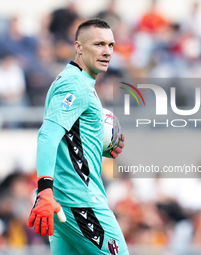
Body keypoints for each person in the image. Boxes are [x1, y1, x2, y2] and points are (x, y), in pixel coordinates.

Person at [27, 18, 128, 254]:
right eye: (99, 44)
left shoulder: (74, 80)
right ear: (78, 46)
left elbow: (67, 138)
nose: (106, 52)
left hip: (65, 203)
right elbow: (48, 136)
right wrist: (44, 190)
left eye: (111, 45)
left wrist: (98, 146)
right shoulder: (76, 86)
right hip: (81, 201)